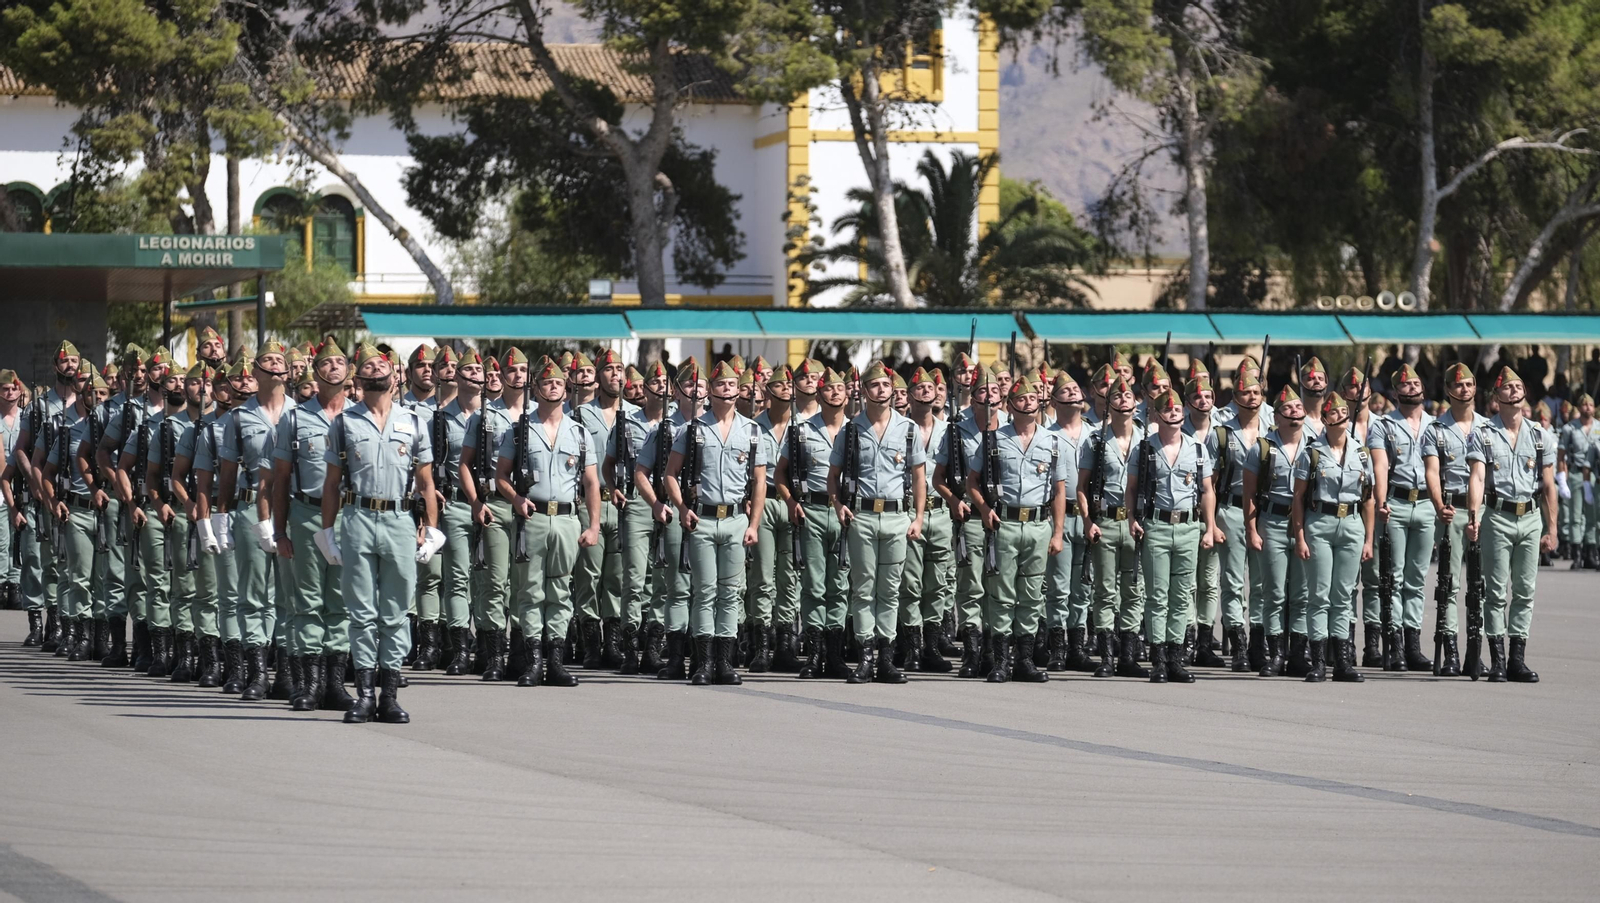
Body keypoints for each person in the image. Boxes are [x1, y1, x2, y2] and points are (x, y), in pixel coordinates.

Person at [320, 344, 441, 723]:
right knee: (360, 612)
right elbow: (331, 483)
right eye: (368, 366)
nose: (376, 369)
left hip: (399, 521)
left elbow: (425, 482)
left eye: (382, 365)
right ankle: (365, 695)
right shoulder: (344, 423)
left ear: (395, 375)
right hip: (357, 517)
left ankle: (389, 696)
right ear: (358, 379)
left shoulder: (414, 422)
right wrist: (327, 531)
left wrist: (433, 529)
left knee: (396, 611)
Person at [495, 356, 600, 688]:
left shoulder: (580, 433)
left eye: (557, 382)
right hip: (533, 517)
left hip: (567, 519)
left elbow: (591, 483)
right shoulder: (520, 430)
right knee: (529, 591)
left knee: (560, 589)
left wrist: (593, 524)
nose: (552, 387)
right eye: (546, 382)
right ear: (536, 389)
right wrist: (515, 499)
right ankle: (533, 661)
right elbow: (500, 476)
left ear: (566, 388)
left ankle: (555, 660)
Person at [668, 359, 765, 685]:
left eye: (732, 385)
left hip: (736, 519)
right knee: (705, 590)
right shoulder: (693, 429)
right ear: (710, 390)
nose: (727, 390)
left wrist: (753, 524)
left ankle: (725, 661)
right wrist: (682, 508)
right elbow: (670, 474)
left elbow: (760, 481)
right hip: (703, 520)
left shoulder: (751, 431)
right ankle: (704, 662)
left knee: (731, 592)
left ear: (740, 390)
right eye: (721, 385)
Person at [270, 341, 354, 711]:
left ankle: (335, 683)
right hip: (307, 514)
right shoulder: (295, 417)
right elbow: (281, 479)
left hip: (350, 516)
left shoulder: (360, 416)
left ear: (349, 371)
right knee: (307, 602)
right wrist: (280, 531)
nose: (334, 368)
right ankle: (308, 684)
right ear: (314, 371)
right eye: (326, 363)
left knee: (340, 602)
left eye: (340, 362)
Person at [830, 360, 922, 683]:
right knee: (863, 588)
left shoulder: (909, 429)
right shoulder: (851, 429)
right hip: (863, 516)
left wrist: (919, 517)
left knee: (890, 589)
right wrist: (839, 505)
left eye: (886, 385)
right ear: (865, 391)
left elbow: (918, 476)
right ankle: (865, 657)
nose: (881, 390)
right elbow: (834, 475)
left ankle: (886, 658)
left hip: (897, 517)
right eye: (875, 386)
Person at [969, 374, 1062, 682]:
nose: (1028, 402)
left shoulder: (1051, 441)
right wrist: (984, 509)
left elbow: (1059, 490)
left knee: (1033, 594)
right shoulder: (993, 439)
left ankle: (1024, 659)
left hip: (1037, 524)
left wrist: (1058, 531)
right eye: (1021, 399)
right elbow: (972, 482)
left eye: (1033, 398)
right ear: (1010, 405)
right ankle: (1001, 660)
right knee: (1001, 593)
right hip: (1004, 522)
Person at [1467, 366, 1556, 683]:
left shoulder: (1539, 435)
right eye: (1508, 387)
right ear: (1496, 397)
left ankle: (1517, 658)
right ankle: (1499, 660)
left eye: (1519, 386)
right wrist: (1473, 516)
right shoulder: (1483, 434)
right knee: (1495, 592)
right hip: (1497, 516)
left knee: (1525, 590)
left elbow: (1547, 486)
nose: (1515, 390)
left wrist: (1552, 528)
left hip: (1530, 517)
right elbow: (1477, 477)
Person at [1128, 386, 1215, 683]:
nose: (1174, 413)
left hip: (1189, 526)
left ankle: (1176, 657)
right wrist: (1132, 518)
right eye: (1168, 410)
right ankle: (1159, 659)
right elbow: (1131, 488)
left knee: (1182, 595)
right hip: (1157, 526)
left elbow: (1207, 491)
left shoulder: (1197, 449)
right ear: (1157, 415)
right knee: (1157, 595)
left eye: (1178, 409)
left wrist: (1210, 527)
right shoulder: (1145, 448)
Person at [1292, 393, 1373, 682]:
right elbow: (1299, 497)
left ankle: (1342, 662)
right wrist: (1299, 536)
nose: (1339, 415)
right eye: (1333, 412)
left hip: (1351, 524)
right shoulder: (1312, 453)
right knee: (1319, 595)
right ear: (1325, 420)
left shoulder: (1361, 453)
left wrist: (1368, 539)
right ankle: (1317, 662)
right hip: (1320, 523)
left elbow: (1368, 499)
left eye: (1343, 411)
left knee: (1344, 595)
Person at [776, 363, 850, 679]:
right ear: (818, 393)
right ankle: (815, 652)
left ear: (847, 394)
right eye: (828, 388)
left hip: (847, 512)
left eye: (839, 388)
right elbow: (779, 473)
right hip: (813, 510)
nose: (834, 392)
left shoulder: (856, 429)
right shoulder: (801, 430)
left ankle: (834, 653)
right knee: (814, 584)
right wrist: (791, 501)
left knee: (840, 584)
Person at [1077, 372, 1146, 678]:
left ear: (1137, 402)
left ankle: (1128, 656)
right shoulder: (1095, 440)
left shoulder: (1148, 439)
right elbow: (1081, 486)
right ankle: (1106, 655)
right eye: (1116, 396)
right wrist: (1088, 521)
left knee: (1133, 590)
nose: (1122, 400)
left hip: (1137, 524)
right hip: (1105, 521)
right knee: (1105, 591)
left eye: (1128, 396)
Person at [1369, 363, 1437, 672]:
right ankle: (1393, 646)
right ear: (1396, 392)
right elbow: (1380, 466)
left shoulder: (1436, 425)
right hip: (1396, 502)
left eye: (1416, 382)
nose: (1413, 387)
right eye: (1406, 385)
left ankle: (1413, 646)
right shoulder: (1383, 425)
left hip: (1425, 505)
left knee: (1417, 579)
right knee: (1393, 577)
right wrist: (1381, 500)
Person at [420, 348, 481, 676]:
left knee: (485, 579)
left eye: (475, 369)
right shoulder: (438, 419)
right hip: (453, 503)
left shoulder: (492, 416)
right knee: (449, 575)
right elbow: (424, 464)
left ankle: (484, 643)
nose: (471, 375)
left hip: (489, 504)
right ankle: (453, 645)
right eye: (464, 370)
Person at [607, 360, 671, 675]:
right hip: (636, 502)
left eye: (664, 383)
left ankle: (654, 647)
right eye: (654, 383)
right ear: (643, 389)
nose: (660, 387)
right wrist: (612, 488)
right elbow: (608, 463)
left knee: (660, 579)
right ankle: (630, 646)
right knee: (633, 578)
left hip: (668, 503)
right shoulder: (626, 422)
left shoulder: (678, 424)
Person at [1244, 385, 1310, 677]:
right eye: (1288, 409)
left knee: (1301, 592)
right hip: (1272, 521)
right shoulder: (1262, 447)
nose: (1294, 412)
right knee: (1273, 592)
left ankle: (1298, 653)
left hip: (1305, 524)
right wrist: (1252, 529)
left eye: (1298, 407)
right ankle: (1276, 653)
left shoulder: (1315, 444)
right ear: (1277, 416)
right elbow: (1249, 493)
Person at [572, 348, 629, 670]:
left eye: (620, 369)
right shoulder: (580, 414)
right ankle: (591, 643)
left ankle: (614, 643)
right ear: (598, 374)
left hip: (624, 506)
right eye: (609, 369)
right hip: (589, 504)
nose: (615, 375)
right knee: (588, 576)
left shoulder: (634, 414)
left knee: (618, 579)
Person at [1421, 362, 1478, 677]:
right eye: (1458, 385)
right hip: (1452, 510)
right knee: (1450, 584)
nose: (1464, 390)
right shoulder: (1436, 429)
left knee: (1481, 585)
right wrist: (1439, 503)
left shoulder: (1488, 426)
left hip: (1484, 512)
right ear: (1447, 390)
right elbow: (1432, 471)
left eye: (1469, 384)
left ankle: (1476, 649)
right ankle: (1452, 651)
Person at [897, 367, 953, 672]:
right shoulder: (900, 429)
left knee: (937, 582)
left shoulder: (949, 430)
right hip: (908, 511)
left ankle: (932, 645)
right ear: (909, 395)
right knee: (910, 581)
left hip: (940, 512)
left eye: (931, 387)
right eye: (920, 388)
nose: (927, 391)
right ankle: (912, 647)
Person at [749, 364, 799, 672]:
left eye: (789, 385)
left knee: (789, 578)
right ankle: (762, 646)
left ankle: (785, 644)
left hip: (794, 503)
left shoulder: (803, 426)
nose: (785, 389)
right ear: (768, 391)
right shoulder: (753, 426)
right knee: (763, 577)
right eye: (779, 385)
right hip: (764, 502)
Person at [1042, 369, 1093, 671]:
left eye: (1076, 387)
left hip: (1086, 517)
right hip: (1057, 516)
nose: (1073, 392)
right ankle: (1057, 647)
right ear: (1054, 400)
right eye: (1066, 390)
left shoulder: (1096, 434)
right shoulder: (1046, 436)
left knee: (1083, 585)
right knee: (1059, 586)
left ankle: (1078, 646)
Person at [1557, 393, 1600, 568]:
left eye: (1590, 405)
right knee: (1575, 515)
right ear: (1579, 407)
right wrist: (1562, 479)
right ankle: (1576, 555)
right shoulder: (1570, 428)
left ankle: (1590, 552)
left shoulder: (1598, 426)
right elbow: (1561, 455)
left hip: (1594, 475)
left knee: (1592, 516)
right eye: (1584, 405)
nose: (1587, 408)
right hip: (1575, 473)